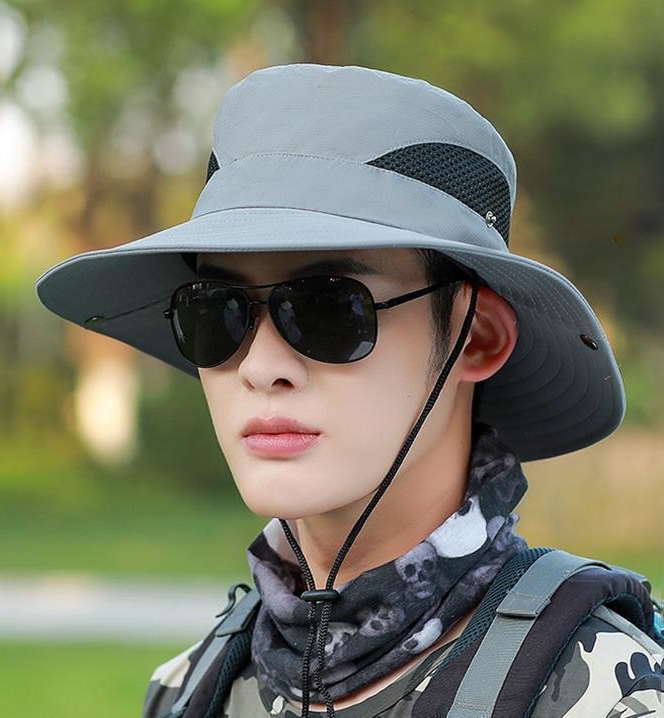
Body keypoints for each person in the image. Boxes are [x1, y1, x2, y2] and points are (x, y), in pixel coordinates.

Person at [35, 63, 664, 717]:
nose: (260, 366)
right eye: (216, 311)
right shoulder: (191, 690)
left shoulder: (601, 696)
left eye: (328, 308)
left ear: (475, 337)